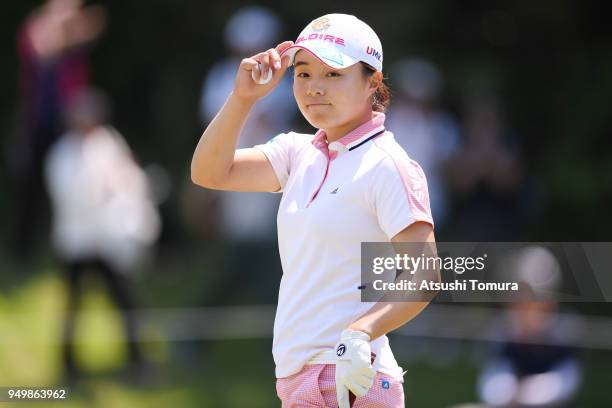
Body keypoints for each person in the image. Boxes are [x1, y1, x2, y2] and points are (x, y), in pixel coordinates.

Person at [191, 14, 437, 407]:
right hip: (297, 375)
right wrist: (243, 99)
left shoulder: (387, 164)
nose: (314, 89)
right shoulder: (297, 152)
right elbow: (208, 172)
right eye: (303, 75)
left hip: (349, 375)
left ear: (372, 81)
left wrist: (360, 331)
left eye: (333, 75)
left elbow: (424, 273)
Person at [45, 88, 161, 381]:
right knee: (74, 306)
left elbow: (128, 178)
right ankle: (68, 367)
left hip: (109, 241)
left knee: (125, 301)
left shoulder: (108, 142)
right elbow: (71, 197)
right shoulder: (61, 153)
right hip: (77, 243)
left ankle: (137, 361)